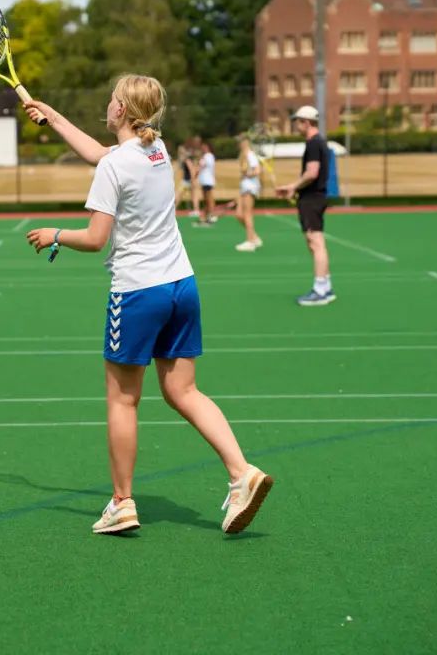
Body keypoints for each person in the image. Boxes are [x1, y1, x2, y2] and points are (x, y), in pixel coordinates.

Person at [21, 74, 274, 536]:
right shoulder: (157, 151)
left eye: (113, 98)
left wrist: (54, 234)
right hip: (182, 285)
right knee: (184, 392)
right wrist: (53, 117)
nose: (108, 101)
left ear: (121, 111)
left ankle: (121, 502)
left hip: (138, 292)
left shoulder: (114, 167)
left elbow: (96, 239)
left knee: (122, 399)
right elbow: (103, 153)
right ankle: (242, 473)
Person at [276, 105, 335, 305]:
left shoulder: (313, 144)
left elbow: (312, 173)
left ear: (306, 122)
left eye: (298, 121)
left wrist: (293, 186)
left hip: (312, 199)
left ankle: (320, 290)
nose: (295, 125)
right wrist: (294, 189)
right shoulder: (319, 142)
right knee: (316, 243)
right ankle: (326, 286)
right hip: (314, 197)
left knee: (315, 242)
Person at [234, 137, 264, 252]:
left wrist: (248, 173)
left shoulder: (250, 155)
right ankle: (254, 237)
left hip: (250, 187)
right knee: (238, 214)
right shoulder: (243, 155)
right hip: (244, 187)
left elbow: (257, 170)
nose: (239, 144)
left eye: (241, 142)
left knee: (247, 214)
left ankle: (250, 241)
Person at [176, 137, 201, 217]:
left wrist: (193, 180)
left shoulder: (187, 159)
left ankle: (173, 210)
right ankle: (196, 210)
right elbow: (196, 170)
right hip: (190, 180)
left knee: (178, 195)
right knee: (193, 196)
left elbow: (192, 170)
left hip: (188, 180)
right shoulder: (191, 159)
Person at [194, 140, 217, 226]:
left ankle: (210, 216)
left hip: (207, 181)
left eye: (204, 146)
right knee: (207, 200)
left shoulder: (207, 156)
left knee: (208, 199)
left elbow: (201, 166)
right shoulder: (208, 156)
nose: (202, 148)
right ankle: (207, 216)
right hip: (205, 181)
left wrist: (196, 173)